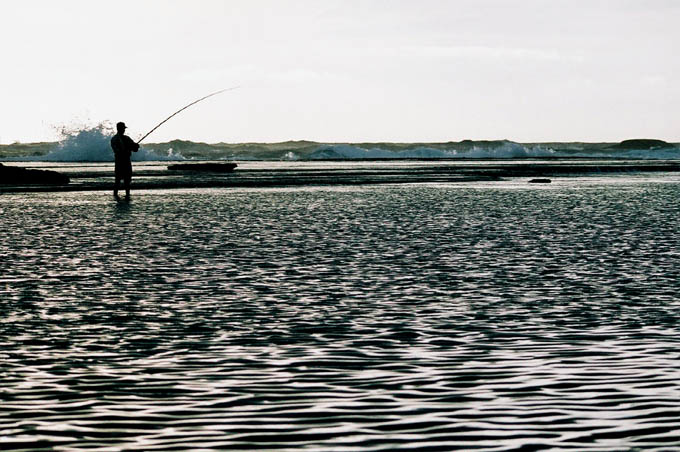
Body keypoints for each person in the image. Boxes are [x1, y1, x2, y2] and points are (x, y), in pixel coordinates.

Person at [110, 122, 139, 200]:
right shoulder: (115, 139)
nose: (123, 130)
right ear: (118, 129)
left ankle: (127, 196)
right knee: (118, 180)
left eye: (124, 128)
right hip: (119, 161)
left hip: (127, 161)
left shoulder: (127, 138)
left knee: (127, 180)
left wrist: (136, 146)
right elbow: (116, 150)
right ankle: (115, 196)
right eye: (122, 128)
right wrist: (126, 149)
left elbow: (135, 149)